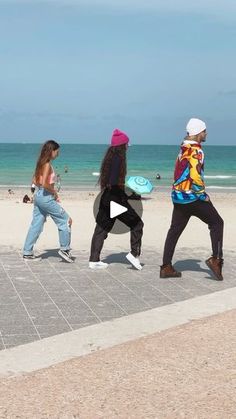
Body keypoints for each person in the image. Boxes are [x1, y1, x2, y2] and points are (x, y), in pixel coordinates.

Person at [160, 118, 224, 280]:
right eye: (204, 131)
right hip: (193, 198)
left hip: (178, 197)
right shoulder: (197, 151)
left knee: (174, 231)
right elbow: (195, 176)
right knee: (217, 223)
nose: (206, 133)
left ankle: (166, 267)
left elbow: (177, 170)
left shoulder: (183, 148)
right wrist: (203, 195)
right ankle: (216, 259)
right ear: (197, 133)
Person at [89, 129, 144, 270]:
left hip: (106, 197)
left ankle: (94, 260)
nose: (127, 147)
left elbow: (110, 183)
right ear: (122, 146)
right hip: (114, 199)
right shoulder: (119, 159)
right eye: (126, 145)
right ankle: (134, 254)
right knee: (137, 224)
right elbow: (114, 183)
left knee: (101, 228)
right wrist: (129, 196)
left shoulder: (109, 158)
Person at [23, 140, 73, 262]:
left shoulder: (40, 163)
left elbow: (35, 181)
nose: (58, 154)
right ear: (52, 151)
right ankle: (64, 249)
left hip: (39, 196)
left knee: (36, 224)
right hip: (45, 197)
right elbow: (45, 183)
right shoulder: (47, 165)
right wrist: (54, 192)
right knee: (66, 221)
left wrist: (38, 194)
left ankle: (27, 252)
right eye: (57, 152)